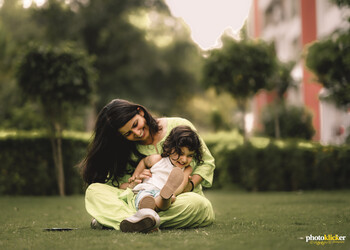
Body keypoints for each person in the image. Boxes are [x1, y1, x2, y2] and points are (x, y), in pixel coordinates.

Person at [80, 99, 215, 232]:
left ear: (140, 112)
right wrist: (134, 180)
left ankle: (122, 219)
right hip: (141, 198)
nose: (137, 133)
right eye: (128, 134)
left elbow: (206, 163)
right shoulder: (125, 150)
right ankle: (143, 219)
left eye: (135, 124)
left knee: (199, 205)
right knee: (94, 190)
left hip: (179, 200)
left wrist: (187, 187)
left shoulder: (180, 126)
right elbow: (122, 186)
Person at [124, 126, 203, 213]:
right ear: (169, 148)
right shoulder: (158, 159)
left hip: (164, 194)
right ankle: (148, 207)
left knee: (169, 199)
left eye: (190, 155)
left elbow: (182, 184)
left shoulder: (187, 169)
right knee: (144, 198)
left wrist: (172, 193)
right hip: (147, 189)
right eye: (180, 153)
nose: (184, 159)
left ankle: (160, 202)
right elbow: (143, 161)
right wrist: (136, 174)